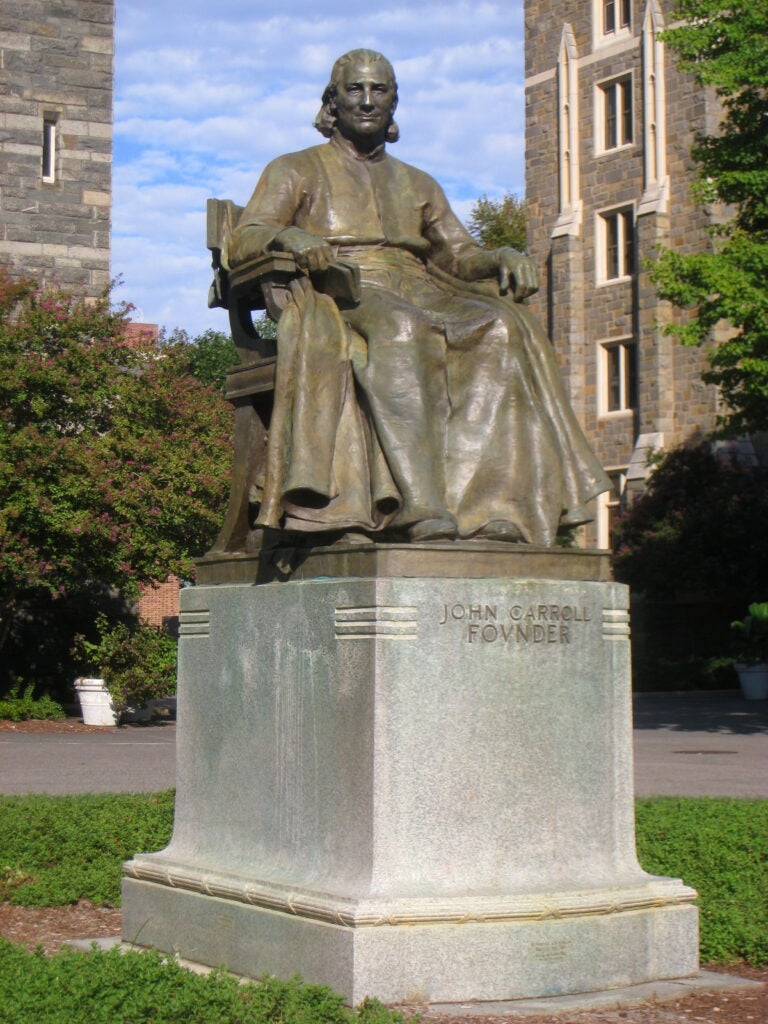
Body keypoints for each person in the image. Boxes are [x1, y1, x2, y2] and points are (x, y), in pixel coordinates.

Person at [228, 49, 610, 546]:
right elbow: (247, 236)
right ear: (332, 101)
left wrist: (498, 256)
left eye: (379, 90)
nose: (367, 101)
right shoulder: (295, 169)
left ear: (394, 102)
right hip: (343, 286)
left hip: (423, 285)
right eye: (355, 90)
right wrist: (289, 238)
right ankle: (420, 504)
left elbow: (458, 255)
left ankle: (490, 510)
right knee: (404, 327)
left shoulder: (418, 181)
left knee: (502, 328)